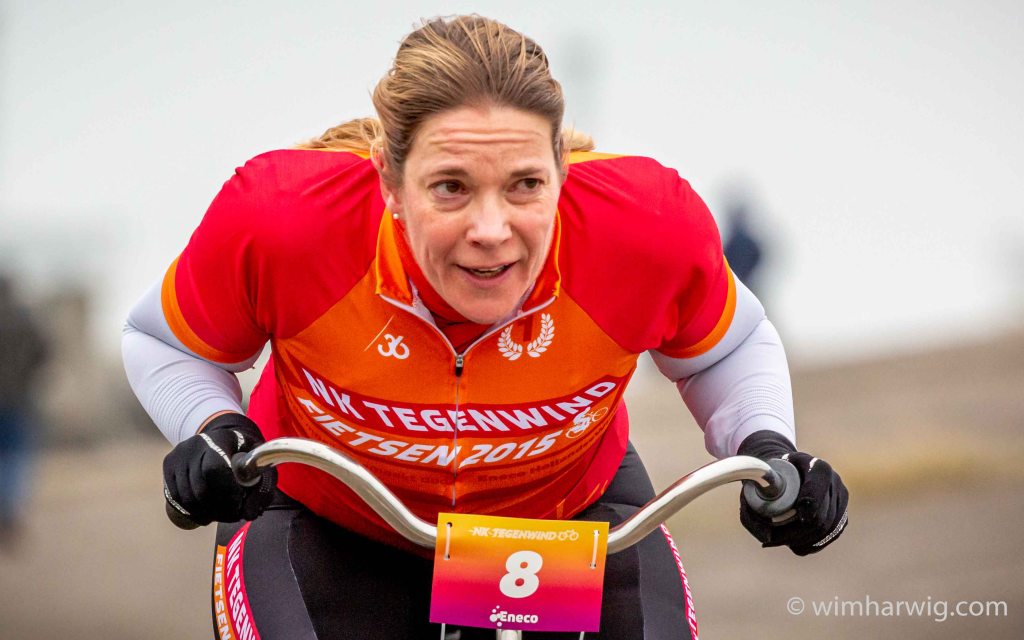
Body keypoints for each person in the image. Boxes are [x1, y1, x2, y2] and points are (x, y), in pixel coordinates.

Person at [122, 15, 848, 640]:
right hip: (330, 525)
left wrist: (767, 447)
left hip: (562, 522)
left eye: (526, 185)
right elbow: (163, 341)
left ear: (563, 169)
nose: (491, 230)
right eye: (451, 188)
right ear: (388, 180)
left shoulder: (645, 226)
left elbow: (726, 347)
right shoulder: (285, 219)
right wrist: (211, 425)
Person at [0, 274, 48, 549]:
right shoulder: (23, 317)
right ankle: (9, 513)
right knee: (16, 458)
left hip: (15, 398)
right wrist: (27, 376)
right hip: (18, 398)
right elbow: (44, 351)